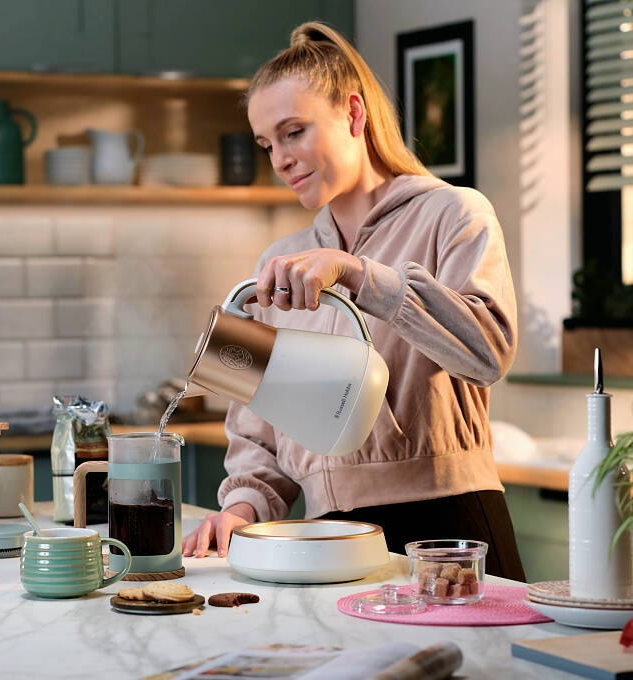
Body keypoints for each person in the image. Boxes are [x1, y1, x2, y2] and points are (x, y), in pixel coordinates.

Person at [182, 21, 525, 580]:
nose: (280, 160)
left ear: (355, 115)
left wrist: (362, 276)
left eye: (294, 132)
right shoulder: (279, 259)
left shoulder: (455, 213)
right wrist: (240, 506)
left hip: (450, 526)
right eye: (267, 144)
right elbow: (254, 429)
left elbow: (489, 354)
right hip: (330, 534)